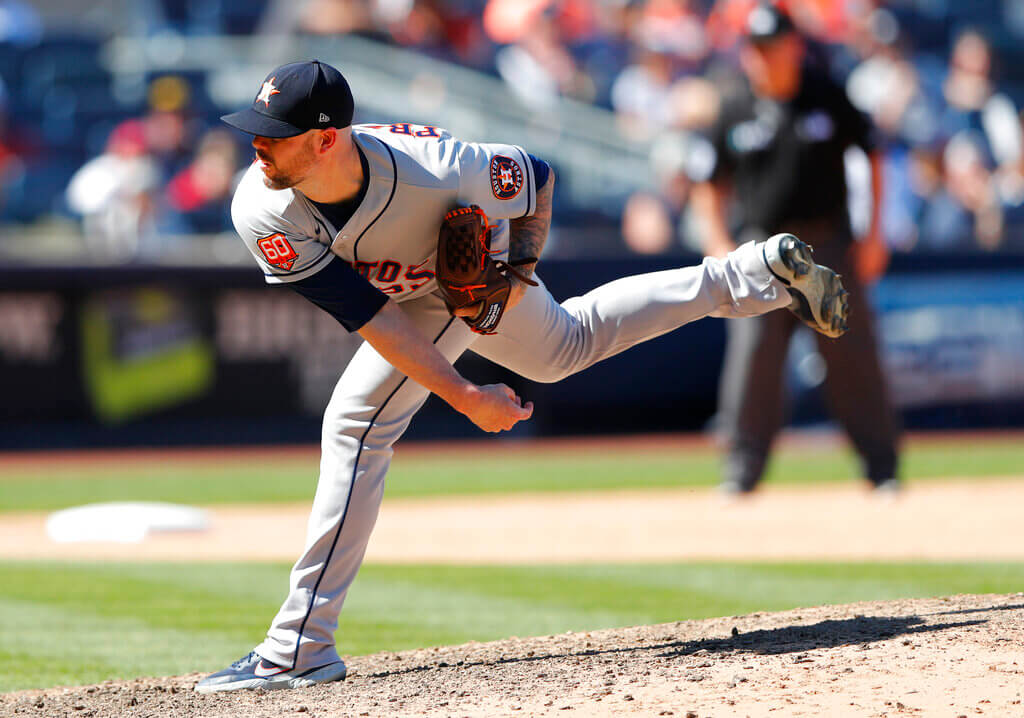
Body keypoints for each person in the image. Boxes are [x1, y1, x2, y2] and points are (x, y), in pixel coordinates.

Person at [196, 58, 848, 693]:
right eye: (256, 128)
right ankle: (754, 272)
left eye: (275, 134)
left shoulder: (438, 170)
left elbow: (536, 178)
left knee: (356, 423)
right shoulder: (263, 207)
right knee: (567, 346)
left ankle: (298, 648)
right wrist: (465, 393)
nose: (257, 145)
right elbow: (375, 319)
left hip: (463, 277)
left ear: (327, 138)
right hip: (420, 291)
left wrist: (521, 272)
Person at [689, 4, 899, 495]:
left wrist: (873, 234)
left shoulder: (825, 92)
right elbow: (707, 182)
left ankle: (882, 468)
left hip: (824, 245)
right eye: (757, 49)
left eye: (774, 47)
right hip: (759, 251)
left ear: (794, 46)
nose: (765, 58)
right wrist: (716, 241)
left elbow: (873, 153)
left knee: (852, 360)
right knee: (753, 363)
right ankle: (741, 472)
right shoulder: (735, 104)